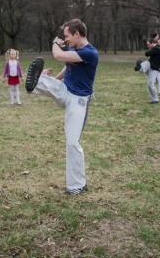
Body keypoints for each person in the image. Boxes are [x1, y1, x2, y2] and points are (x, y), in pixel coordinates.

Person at [24, 19, 99, 195]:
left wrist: (55, 44)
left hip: (79, 100)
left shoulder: (91, 53)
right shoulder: (74, 49)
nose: (65, 40)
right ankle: (37, 82)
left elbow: (58, 56)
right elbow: (67, 66)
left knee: (72, 143)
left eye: (67, 36)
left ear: (77, 34)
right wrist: (54, 80)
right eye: (63, 37)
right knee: (46, 82)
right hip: (66, 90)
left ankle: (78, 185)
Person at [135, 38, 160, 103]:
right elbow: (147, 54)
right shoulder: (156, 48)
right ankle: (140, 66)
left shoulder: (156, 49)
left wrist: (150, 49)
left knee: (151, 84)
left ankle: (155, 99)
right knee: (149, 84)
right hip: (151, 66)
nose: (148, 46)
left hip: (154, 69)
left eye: (148, 44)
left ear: (152, 43)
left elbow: (147, 53)